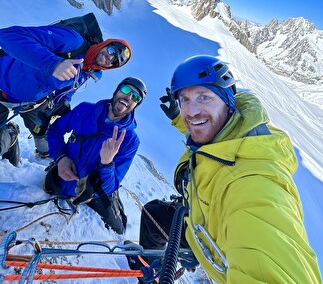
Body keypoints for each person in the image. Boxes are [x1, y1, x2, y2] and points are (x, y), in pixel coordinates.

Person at [132, 55, 322, 283]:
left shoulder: (253, 186)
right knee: (154, 213)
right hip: (201, 222)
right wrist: (179, 119)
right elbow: (207, 129)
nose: (191, 111)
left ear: (228, 100)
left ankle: (151, 273)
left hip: (212, 237)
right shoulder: (229, 134)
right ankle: (154, 267)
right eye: (185, 99)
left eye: (204, 97)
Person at [0, 20, 131, 164]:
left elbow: (70, 87)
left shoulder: (90, 71)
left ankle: (37, 150)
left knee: (43, 135)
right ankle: (10, 134)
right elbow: (7, 35)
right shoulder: (72, 41)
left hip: (34, 103)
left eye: (115, 61)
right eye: (112, 50)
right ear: (106, 44)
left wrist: (63, 101)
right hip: (3, 88)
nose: (110, 58)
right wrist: (53, 63)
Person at [43, 76, 147, 234]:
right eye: (126, 90)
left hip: (94, 193)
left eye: (136, 97)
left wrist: (106, 163)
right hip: (63, 179)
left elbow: (110, 186)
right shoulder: (85, 110)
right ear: (116, 90)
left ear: (136, 105)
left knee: (119, 228)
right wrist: (61, 158)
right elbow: (55, 131)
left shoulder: (130, 140)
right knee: (49, 186)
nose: (129, 97)